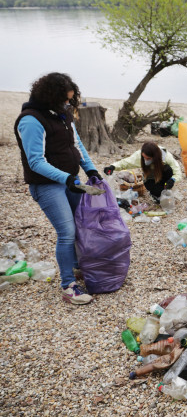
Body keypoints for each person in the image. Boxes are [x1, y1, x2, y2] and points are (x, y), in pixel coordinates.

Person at [14, 72, 101, 305]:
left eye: (70, 99)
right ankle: (68, 286)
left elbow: (76, 144)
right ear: (51, 97)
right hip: (47, 186)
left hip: (70, 181)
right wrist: (66, 178)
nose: (67, 104)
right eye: (64, 99)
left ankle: (75, 267)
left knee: (80, 225)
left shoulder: (62, 114)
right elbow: (35, 161)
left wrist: (91, 169)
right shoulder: (31, 119)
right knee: (67, 232)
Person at [104, 142, 181, 201]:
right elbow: (126, 162)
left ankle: (165, 187)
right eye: (144, 157)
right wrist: (113, 167)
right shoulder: (139, 155)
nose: (145, 160)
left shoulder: (167, 157)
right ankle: (156, 193)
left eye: (148, 158)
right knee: (157, 193)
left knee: (168, 169)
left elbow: (177, 173)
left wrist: (173, 180)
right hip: (151, 178)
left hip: (163, 175)